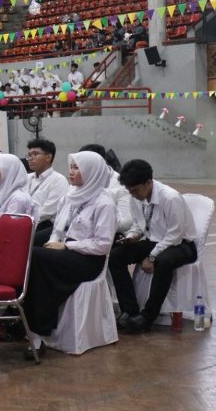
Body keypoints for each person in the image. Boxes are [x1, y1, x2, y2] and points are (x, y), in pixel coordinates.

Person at [23, 151, 115, 357]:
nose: (71, 172)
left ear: (91, 172)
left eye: (77, 168)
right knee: (30, 257)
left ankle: (36, 332)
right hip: (63, 250)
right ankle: (26, 322)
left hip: (87, 259)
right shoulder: (70, 196)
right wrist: (54, 242)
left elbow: (102, 245)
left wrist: (67, 247)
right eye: (71, 167)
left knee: (36, 259)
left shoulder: (104, 203)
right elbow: (58, 228)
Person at [109, 159, 198, 333]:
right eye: (129, 190)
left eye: (135, 190)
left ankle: (147, 317)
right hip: (154, 241)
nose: (132, 194)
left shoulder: (169, 197)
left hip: (182, 245)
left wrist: (151, 257)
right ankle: (129, 311)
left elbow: (175, 235)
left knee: (163, 262)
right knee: (115, 256)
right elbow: (138, 224)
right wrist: (132, 236)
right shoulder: (135, 197)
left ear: (149, 182)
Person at [25, 139, 69, 246]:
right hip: (26, 223)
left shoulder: (58, 180)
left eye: (35, 154)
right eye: (29, 155)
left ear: (48, 157)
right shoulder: (26, 178)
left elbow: (47, 212)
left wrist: (23, 224)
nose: (30, 158)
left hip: (46, 226)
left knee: (20, 242)